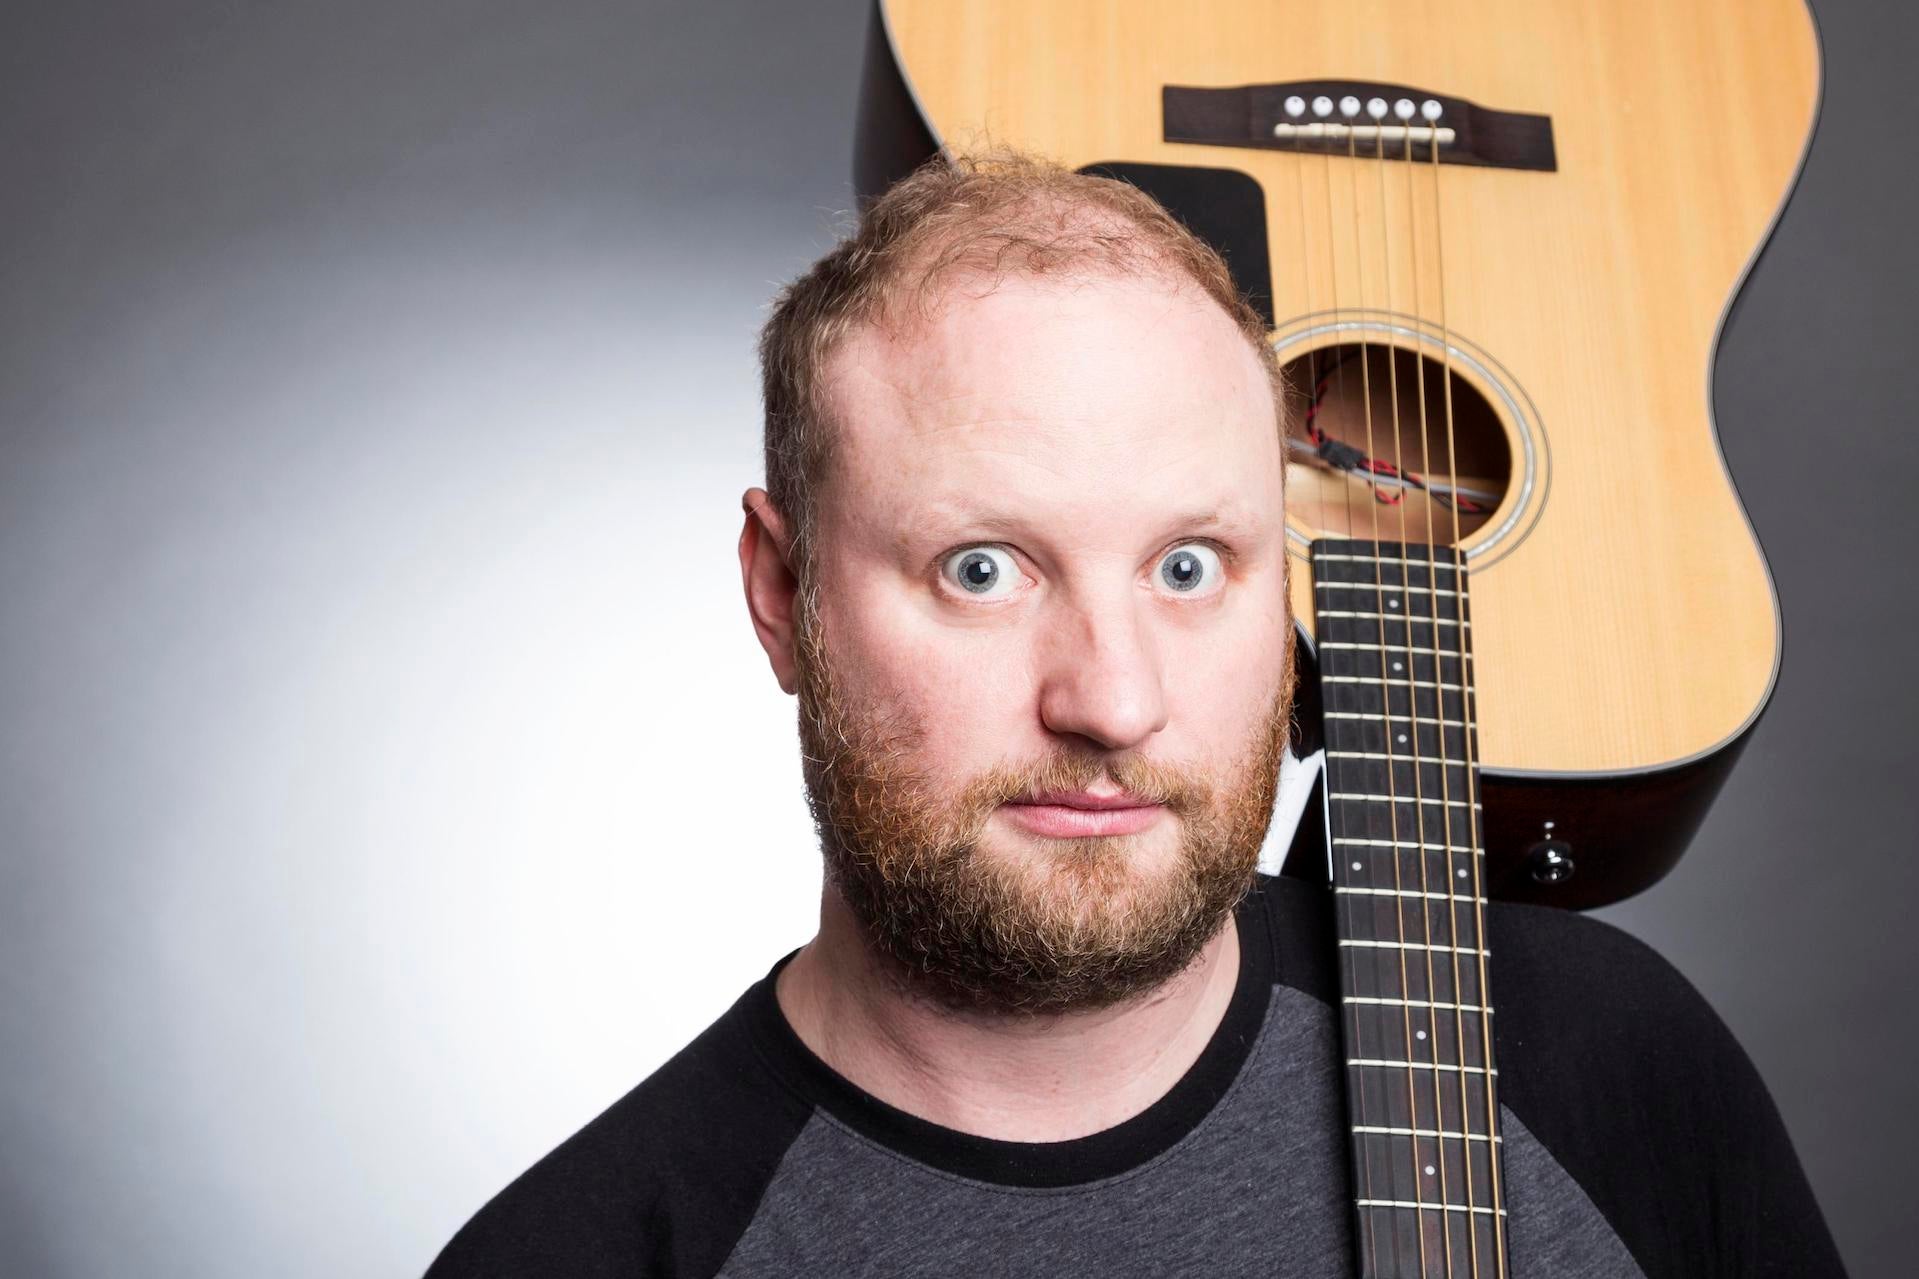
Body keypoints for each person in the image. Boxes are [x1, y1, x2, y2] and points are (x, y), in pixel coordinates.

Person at [424, 153, 1846, 1278]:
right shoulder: (586, 1253)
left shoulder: (1606, 1058)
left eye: (1188, 568)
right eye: (983, 570)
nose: (1113, 700)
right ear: (782, 593)